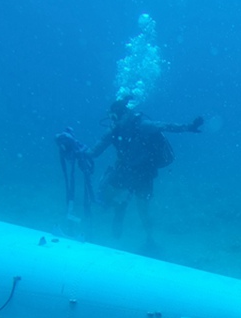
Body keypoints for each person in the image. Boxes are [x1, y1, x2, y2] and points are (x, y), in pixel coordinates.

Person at [86, 98, 203, 245]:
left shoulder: (142, 126)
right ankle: (120, 207)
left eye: (115, 116)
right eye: (111, 117)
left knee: (143, 210)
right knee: (104, 201)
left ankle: (149, 238)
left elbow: (165, 126)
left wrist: (188, 126)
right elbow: (97, 149)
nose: (113, 121)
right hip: (127, 171)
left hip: (143, 174)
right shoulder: (114, 130)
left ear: (125, 114)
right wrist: (80, 152)